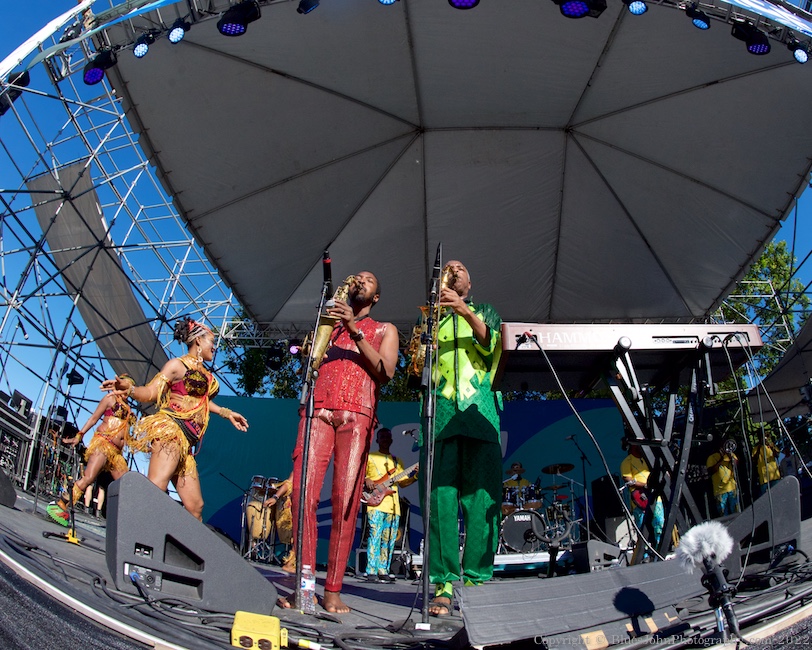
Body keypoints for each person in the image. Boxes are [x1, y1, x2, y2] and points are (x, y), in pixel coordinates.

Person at [279, 271, 399, 614]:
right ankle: (304, 587)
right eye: (358, 276)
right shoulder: (328, 326)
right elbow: (307, 362)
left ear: (376, 297)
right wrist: (326, 329)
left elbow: (386, 372)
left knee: (344, 501)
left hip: (357, 414)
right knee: (302, 495)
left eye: (369, 280)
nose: (361, 280)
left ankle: (332, 590)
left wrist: (354, 328)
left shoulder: (385, 329)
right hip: (317, 409)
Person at [420, 260, 503, 617]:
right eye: (448, 267)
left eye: (460, 267)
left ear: (470, 282)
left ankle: (476, 583)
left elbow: (493, 345)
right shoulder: (430, 319)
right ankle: (443, 584)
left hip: (480, 412)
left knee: (481, 500)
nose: (453, 269)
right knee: (440, 501)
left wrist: (463, 310)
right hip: (439, 414)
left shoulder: (485, 310)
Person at [102, 318, 248, 520]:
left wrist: (227, 413)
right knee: (156, 487)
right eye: (211, 341)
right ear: (198, 340)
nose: (214, 347)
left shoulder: (206, 375)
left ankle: (180, 542)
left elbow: (203, 402)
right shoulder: (177, 365)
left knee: (196, 507)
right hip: (171, 433)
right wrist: (131, 389)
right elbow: (151, 392)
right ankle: (135, 528)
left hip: (187, 444)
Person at [46, 379, 136, 526]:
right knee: (88, 478)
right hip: (104, 444)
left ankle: (124, 522)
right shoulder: (110, 398)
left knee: (126, 485)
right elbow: (93, 419)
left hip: (117, 454)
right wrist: (79, 435)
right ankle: (61, 505)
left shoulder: (128, 408)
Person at [363, 427, 417, 582]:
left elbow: (403, 483)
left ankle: (383, 570)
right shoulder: (370, 457)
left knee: (389, 539)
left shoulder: (397, 461)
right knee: (375, 535)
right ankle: (371, 570)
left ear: (392, 440)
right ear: (377, 440)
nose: (386, 440)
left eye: (388, 437)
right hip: (375, 503)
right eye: (383, 437)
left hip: (393, 506)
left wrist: (416, 476)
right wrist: (367, 479)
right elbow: (360, 476)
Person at [620, 439, 664, 548]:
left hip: (654, 496)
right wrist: (644, 485)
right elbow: (628, 479)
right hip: (640, 499)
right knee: (643, 527)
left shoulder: (649, 458)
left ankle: (659, 548)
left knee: (659, 522)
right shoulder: (627, 461)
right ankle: (645, 552)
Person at [706, 440, 739, 517]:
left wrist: (729, 456)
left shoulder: (731, 454)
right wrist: (721, 459)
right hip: (720, 491)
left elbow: (736, 464)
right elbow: (711, 471)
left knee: (736, 512)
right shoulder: (712, 457)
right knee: (723, 514)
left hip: (732, 488)